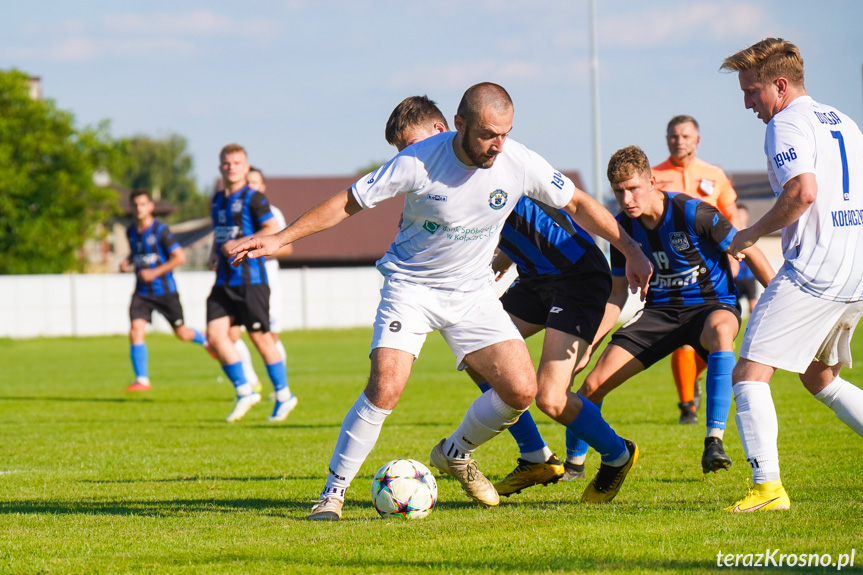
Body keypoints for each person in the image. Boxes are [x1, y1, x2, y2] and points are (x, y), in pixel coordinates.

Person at [230, 84, 653, 520]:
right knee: (386, 386)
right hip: (411, 287)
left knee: (522, 388)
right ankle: (332, 495)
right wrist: (280, 237)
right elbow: (347, 203)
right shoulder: (417, 159)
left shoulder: (517, 160)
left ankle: (456, 452)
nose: (498, 145)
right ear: (459, 125)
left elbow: (580, 203)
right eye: (489, 134)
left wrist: (632, 250)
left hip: (471, 292)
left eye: (505, 133)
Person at [384, 95, 620, 496]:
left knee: (550, 395)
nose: (410, 158)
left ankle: (617, 455)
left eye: (410, 146)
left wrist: (629, 249)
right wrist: (504, 255)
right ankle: (536, 456)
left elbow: (545, 207)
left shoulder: (491, 161)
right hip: (534, 279)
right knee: (479, 362)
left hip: (575, 276)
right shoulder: (440, 174)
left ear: (443, 131)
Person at [720, 38, 863, 512]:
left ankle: (767, 489)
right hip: (856, 269)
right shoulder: (842, 119)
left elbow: (803, 191)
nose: (747, 103)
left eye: (752, 90)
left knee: (748, 372)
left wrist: (751, 233)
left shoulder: (786, 123)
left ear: (780, 86)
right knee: (820, 377)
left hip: (815, 270)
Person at [569, 145, 774, 475]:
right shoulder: (621, 230)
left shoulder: (694, 213)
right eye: (619, 192)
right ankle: (573, 466)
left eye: (633, 188)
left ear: (652, 181)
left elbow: (748, 251)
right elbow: (616, 295)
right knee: (592, 385)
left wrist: (778, 299)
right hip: (659, 314)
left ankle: (714, 441)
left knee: (722, 331)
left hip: (711, 307)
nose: (627, 199)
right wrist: (589, 346)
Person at [653, 115, 741, 425]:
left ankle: (693, 383)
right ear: (667, 139)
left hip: (714, 275)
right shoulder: (653, 177)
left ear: (697, 140)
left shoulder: (714, 175)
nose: (680, 141)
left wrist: (736, 254)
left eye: (686, 136)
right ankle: (687, 406)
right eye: (674, 136)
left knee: (712, 341)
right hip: (671, 277)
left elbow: (732, 217)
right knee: (682, 342)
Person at [207, 144, 298, 423]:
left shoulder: (254, 199)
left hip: (252, 281)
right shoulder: (216, 200)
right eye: (226, 162)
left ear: (246, 168)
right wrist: (215, 249)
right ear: (221, 166)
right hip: (224, 281)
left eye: (237, 162)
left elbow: (272, 230)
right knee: (215, 336)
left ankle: (284, 395)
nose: (231, 166)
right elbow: (221, 233)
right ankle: (244, 390)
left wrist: (242, 243)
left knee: (261, 340)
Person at [121, 189, 211, 391]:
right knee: (136, 331)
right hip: (142, 292)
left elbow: (179, 257)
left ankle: (207, 341)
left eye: (143, 204)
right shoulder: (131, 232)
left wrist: (154, 273)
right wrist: (127, 261)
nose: (139, 208)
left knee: (182, 333)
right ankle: (142, 380)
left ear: (151, 206)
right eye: (135, 205)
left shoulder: (161, 230)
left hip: (164, 291)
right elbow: (136, 252)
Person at [228, 167, 293, 392]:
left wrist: (256, 250)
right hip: (238, 280)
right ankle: (250, 379)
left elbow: (286, 248)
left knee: (269, 336)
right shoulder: (235, 212)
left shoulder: (271, 212)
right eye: (249, 182)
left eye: (255, 182)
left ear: (262, 187)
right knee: (229, 334)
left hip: (265, 280)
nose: (251, 186)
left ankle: (280, 389)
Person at [732, 204, 759, 314]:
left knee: (753, 305)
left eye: (742, 214)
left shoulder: (752, 233)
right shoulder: (731, 233)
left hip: (749, 276)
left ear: (746, 216)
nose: (740, 216)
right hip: (735, 276)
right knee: (733, 306)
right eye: (738, 214)